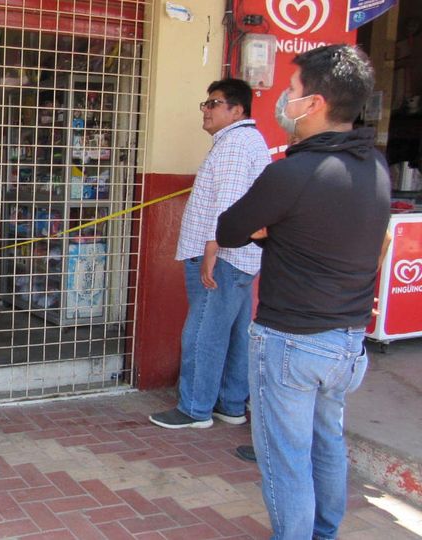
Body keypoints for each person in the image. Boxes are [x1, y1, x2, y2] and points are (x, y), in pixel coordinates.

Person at [216, 45, 390, 539]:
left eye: (290, 90)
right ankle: (323, 533)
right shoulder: (375, 166)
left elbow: (229, 229)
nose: (283, 99)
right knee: (326, 441)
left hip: (291, 341)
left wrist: (271, 231)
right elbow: (369, 241)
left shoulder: (291, 174)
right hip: (347, 341)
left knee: (285, 455)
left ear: (313, 103)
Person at [149, 78, 270, 429]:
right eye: (205, 103)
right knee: (234, 333)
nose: (206, 110)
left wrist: (211, 252)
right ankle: (231, 405)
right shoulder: (246, 140)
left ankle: (194, 408)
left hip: (224, 258)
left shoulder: (235, 145)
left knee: (203, 332)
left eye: (214, 103)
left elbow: (228, 206)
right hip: (240, 258)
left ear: (237, 110)